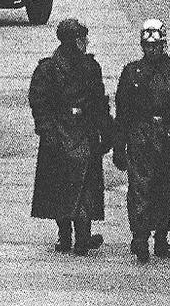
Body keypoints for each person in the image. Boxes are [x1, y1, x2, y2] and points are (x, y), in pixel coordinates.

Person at [113, 19, 170, 264]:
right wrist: (119, 145)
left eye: (156, 45)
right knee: (139, 188)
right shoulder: (131, 72)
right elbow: (122, 112)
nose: (151, 49)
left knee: (166, 188)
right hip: (141, 137)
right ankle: (140, 236)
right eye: (147, 45)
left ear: (164, 44)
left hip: (169, 136)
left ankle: (161, 236)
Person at [29, 19, 113, 255]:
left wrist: (106, 131)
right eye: (82, 39)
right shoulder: (49, 69)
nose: (85, 44)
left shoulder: (87, 68)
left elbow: (98, 101)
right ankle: (67, 235)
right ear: (75, 41)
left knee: (79, 183)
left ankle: (80, 236)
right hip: (63, 130)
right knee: (65, 183)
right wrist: (46, 128)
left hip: (80, 129)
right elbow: (39, 101)